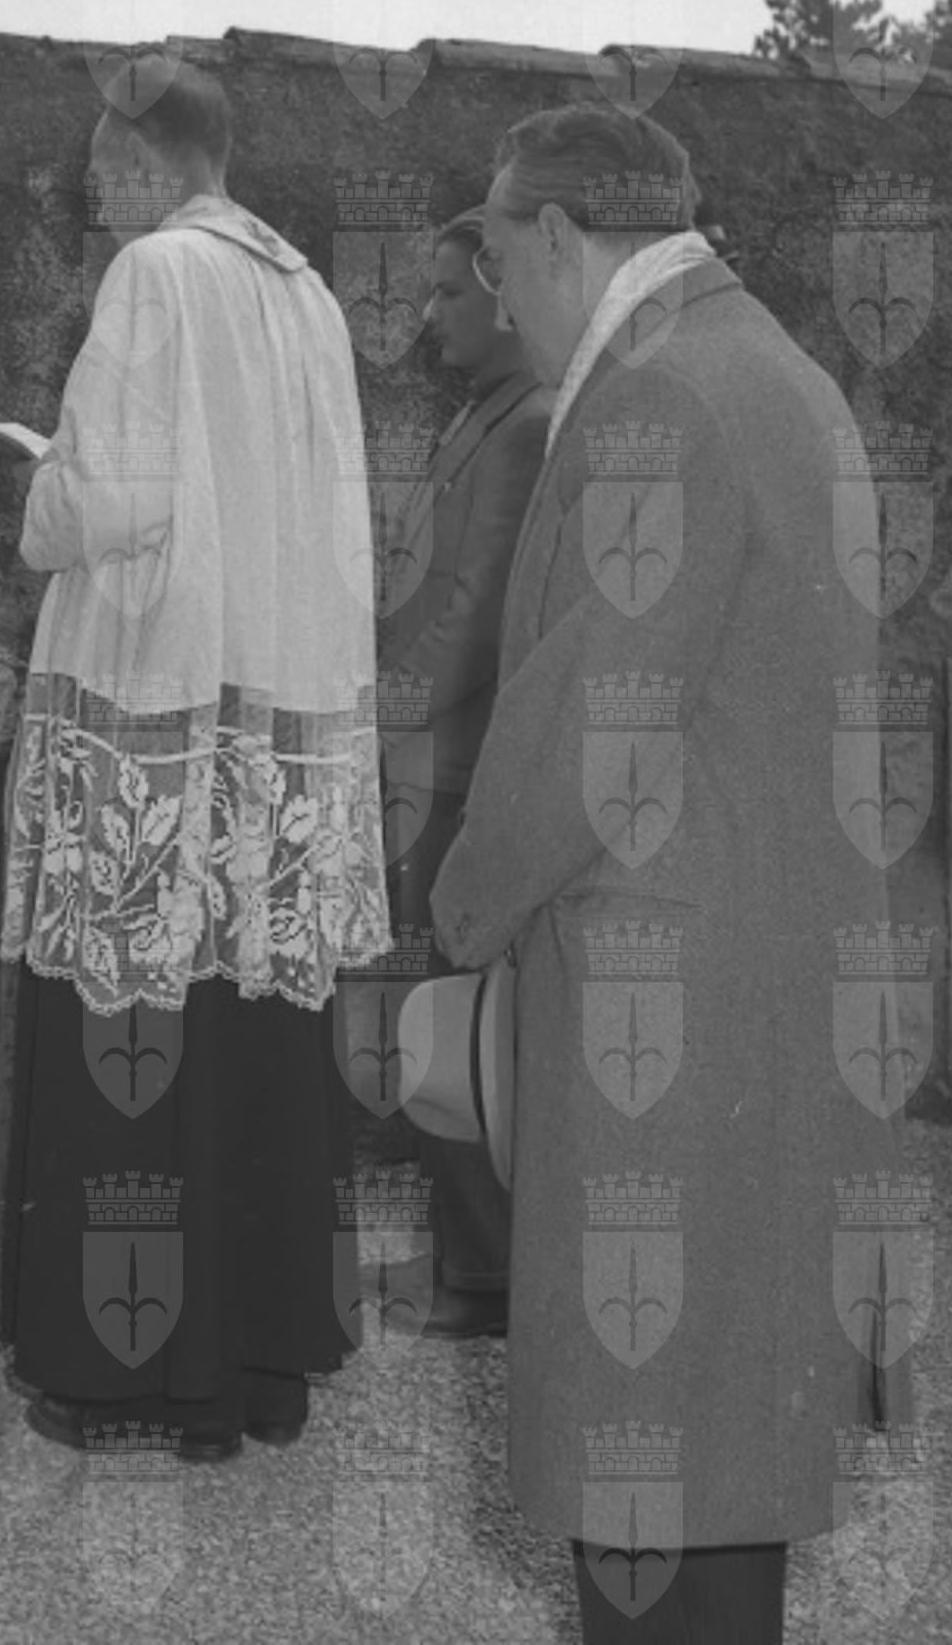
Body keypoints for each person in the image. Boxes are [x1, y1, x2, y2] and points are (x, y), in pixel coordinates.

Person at [429, 104, 915, 1642]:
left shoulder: (662, 397)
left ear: (556, 236)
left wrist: (458, 910)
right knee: (716, 1468)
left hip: (665, 1015)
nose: (495, 297)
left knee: (654, 1486)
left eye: (496, 259)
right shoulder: (775, 370)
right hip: (760, 984)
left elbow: (595, 718)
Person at [0, 51, 392, 1461]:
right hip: (270, 719)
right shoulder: (306, 292)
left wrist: (34, 483)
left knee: (134, 1041)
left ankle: (128, 1379)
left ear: (146, 156)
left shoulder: (155, 273)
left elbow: (104, 503)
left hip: (159, 707)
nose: (87, 186)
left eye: (98, 160)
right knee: (251, 1036)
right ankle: (260, 1365)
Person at [374, 207, 551, 1340]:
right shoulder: (487, 410)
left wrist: (374, 717)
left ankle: (486, 1275)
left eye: (447, 293)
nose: (428, 314)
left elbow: (475, 617)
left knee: (449, 1009)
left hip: (455, 766)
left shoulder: (525, 424)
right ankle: (470, 1255)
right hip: (428, 758)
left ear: (505, 297)